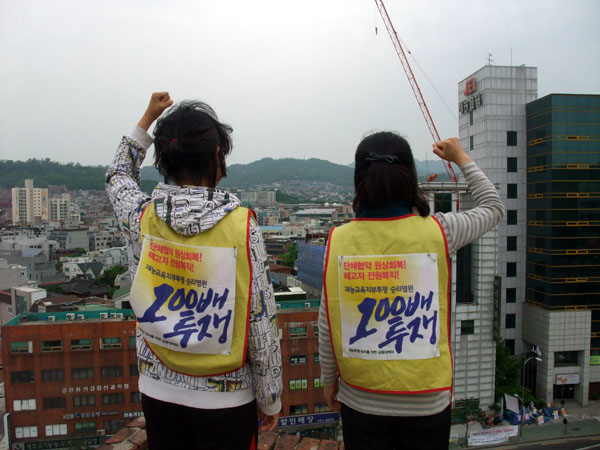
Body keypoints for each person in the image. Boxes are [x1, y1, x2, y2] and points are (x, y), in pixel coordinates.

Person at [106, 92, 282, 450]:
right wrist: (270, 397)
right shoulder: (242, 226)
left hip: (158, 389)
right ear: (217, 156)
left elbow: (118, 175)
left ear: (165, 160)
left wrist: (147, 118)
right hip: (227, 396)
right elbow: (259, 320)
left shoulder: (141, 217)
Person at [318, 132, 504, 450]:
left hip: (361, 398)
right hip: (427, 400)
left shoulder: (339, 239)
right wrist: (460, 158)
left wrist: (328, 380)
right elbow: (493, 206)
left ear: (359, 179)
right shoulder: (441, 230)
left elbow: (328, 321)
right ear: (410, 177)